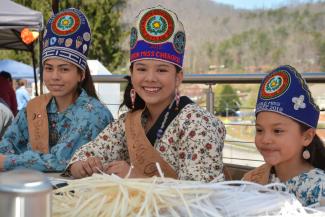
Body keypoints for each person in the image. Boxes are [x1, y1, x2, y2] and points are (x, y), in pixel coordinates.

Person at [68, 5, 226, 182]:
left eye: (162, 70)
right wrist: (83, 166)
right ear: (132, 73)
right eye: (141, 69)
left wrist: (137, 178)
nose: (150, 78)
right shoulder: (129, 122)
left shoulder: (198, 124)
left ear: (178, 77)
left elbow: (202, 193)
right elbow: (83, 156)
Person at [0, 8, 113, 172]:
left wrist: (8, 162)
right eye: (49, 68)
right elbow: (7, 144)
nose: (55, 76)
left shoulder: (93, 113)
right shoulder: (34, 108)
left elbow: (62, 160)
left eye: (64, 69)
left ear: (80, 74)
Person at [243, 65, 325, 207]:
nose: (265, 139)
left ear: (307, 137)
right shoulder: (253, 179)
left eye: (278, 131)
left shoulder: (319, 188)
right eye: (260, 130)